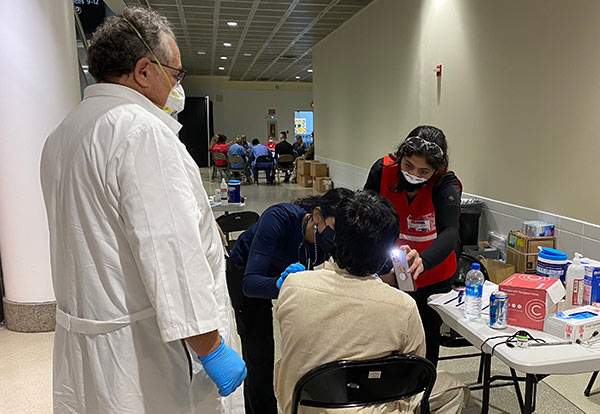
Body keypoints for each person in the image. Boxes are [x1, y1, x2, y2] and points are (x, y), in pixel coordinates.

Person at [40, 7, 245, 414]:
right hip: (146, 352)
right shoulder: (141, 132)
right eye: (176, 72)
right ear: (144, 71)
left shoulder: (64, 133)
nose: (177, 85)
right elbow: (170, 252)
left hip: (92, 338)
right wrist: (210, 347)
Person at [274, 190, 468, 414]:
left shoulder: (293, 286)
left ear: (337, 236)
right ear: (387, 251)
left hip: (302, 406)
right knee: (453, 387)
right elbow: (413, 377)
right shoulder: (403, 307)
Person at [227, 188, 354, 414]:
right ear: (317, 215)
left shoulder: (330, 240)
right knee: (260, 353)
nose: (337, 239)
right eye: (334, 229)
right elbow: (250, 283)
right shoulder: (278, 218)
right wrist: (279, 284)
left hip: (287, 277)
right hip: (248, 274)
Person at [364, 125, 461, 366]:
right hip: (390, 265)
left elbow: (450, 232)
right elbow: (366, 215)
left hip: (433, 268)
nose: (414, 174)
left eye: (424, 171)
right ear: (400, 156)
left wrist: (424, 261)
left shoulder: (445, 183)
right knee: (389, 328)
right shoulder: (383, 170)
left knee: (427, 332)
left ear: (436, 170)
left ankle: (423, 393)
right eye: (408, 165)